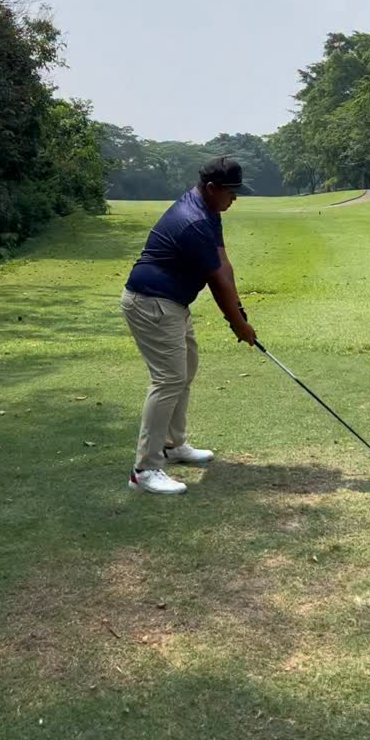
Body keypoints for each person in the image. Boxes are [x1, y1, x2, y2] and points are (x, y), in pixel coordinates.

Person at [120, 156, 257, 496]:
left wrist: (241, 315)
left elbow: (223, 265)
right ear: (211, 188)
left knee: (185, 369)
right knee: (168, 379)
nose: (235, 198)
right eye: (230, 191)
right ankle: (144, 470)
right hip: (151, 302)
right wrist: (237, 325)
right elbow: (216, 282)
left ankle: (172, 444)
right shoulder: (193, 220)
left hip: (172, 303)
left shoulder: (209, 210)